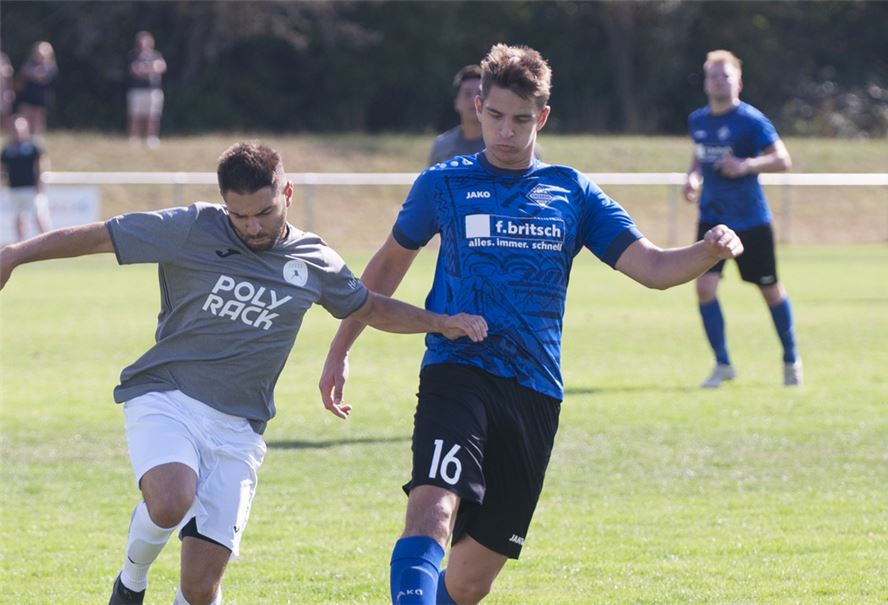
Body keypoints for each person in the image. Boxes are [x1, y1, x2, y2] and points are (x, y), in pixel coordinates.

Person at [319, 44, 743, 605]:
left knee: (470, 580)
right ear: (477, 106)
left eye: (521, 120)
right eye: (494, 116)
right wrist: (340, 348)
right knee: (432, 507)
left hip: (535, 389)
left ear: (541, 117)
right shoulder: (443, 184)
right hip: (458, 368)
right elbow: (384, 269)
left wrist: (709, 250)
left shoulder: (572, 192)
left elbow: (655, 268)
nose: (506, 132)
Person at [0, 141, 488, 605]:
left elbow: (368, 307)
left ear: (287, 195)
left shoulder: (315, 260)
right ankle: (131, 582)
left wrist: (440, 324)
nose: (252, 228)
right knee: (171, 499)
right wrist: (17, 253)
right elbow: (101, 235)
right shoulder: (190, 228)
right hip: (167, 397)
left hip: (239, 429)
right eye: (240, 216)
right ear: (223, 204)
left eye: (264, 214)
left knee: (200, 588)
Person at [682, 49, 801, 389]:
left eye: (724, 75)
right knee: (704, 288)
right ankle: (722, 364)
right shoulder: (698, 120)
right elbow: (699, 154)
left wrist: (745, 165)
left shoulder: (751, 120)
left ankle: (791, 358)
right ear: (706, 83)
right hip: (712, 220)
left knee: (769, 289)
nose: (718, 81)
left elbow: (782, 159)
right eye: (712, 76)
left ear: (738, 81)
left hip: (750, 221)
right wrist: (692, 177)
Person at [1, 115, 51, 241]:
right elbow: (2, 168)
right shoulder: (8, 149)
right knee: (18, 218)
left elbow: (41, 165)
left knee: (38, 216)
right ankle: (21, 244)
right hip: (14, 189)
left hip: (31, 188)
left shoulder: (33, 146)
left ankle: (48, 242)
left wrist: (39, 184)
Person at [427, 64, 485, 166]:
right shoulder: (442, 146)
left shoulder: (500, 145)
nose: (474, 100)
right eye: (467, 94)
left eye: (480, 94)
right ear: (457, 103)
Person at [127, 31, 167, 148]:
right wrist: (151, 68)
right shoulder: (133, 55)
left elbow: (161, 67)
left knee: (153, 115)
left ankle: (151, 137)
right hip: (137, 90)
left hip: (153, 90)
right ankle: (134, 137)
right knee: (135, 115)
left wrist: (145, 69)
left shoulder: (156, 55)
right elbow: (135, 70)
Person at [15, 41, 58, 134]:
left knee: (38, 122)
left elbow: (44, 77)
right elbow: (24, 74)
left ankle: (36, 140)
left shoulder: (51, 66)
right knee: (24, 119)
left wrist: (33, 75)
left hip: (41, 98)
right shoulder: (28, 64)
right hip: (27, 97)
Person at [0, 51, 15, 130]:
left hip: (3, 91)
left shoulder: (3, 57)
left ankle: (5, 131)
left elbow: (9, 75)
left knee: (5, 113)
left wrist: (10, 90)